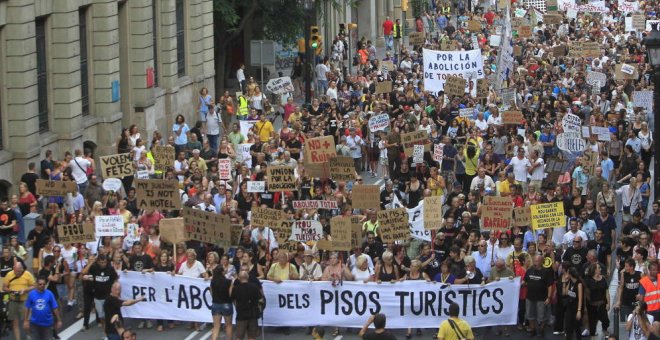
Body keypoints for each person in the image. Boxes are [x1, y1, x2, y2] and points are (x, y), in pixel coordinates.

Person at [23, 276, 62, 340]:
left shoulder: (49, 294)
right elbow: (27, 307)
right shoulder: (31, 294)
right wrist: (25, 321)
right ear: (36, 284)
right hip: (34, 324)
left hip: (47, 324)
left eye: (44, 284)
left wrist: (59, 320)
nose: (42, 285)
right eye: (40, 284)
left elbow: (55, 308)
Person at [4, 261, 35, 340]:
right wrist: (11, 291)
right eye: (15, 271)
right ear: (13, 268)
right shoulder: (9, 274)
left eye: (19, 271)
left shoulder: (27, 274)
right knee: (15, 323)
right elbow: (4, 287)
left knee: (26, 322)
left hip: (25, 302)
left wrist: (25, 290)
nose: (17, 273)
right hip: (13, 301)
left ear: (22, 269)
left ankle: (28, 335)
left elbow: (34, 286)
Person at [232, 271, 261, 340]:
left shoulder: (236, 288)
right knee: (252, 336)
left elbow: (233, 300)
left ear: (239, 278)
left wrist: (236, 306)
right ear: (248, 277)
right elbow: (260, 299)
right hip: (253, 314)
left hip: (241, 314)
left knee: (239, 336)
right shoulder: (254, 287)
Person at [210, 265, 233, 340]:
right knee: (228, 325)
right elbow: (230, 294)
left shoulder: (213, 281)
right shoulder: (229, 282)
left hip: (216, 304)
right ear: (223, 272)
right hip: (226, 303)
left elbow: (211, 293)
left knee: (216, 326)